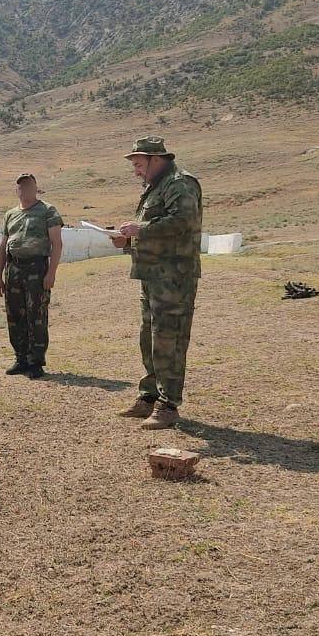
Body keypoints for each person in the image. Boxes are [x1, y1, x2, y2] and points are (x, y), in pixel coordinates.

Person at [110, 136, 203, 430]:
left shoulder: (180, 183)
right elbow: (155, 230)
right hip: (152, 274)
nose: (136, 171)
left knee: (169, 339)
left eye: (139, 165)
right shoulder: (156, 187)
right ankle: (149, 397)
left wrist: (140, 228)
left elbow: (182, 222)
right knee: (149, 338)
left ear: (156, 159)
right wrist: (127, 239)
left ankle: (169, 404)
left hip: (173, 277)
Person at [0, 173, 63, 378]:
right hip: (14, 269)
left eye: (29, 186)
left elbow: (57, 244)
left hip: (37, 268)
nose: (25, 190)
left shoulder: (47, 211)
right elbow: (1, 247)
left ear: (36, 188)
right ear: (17, 191)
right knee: (15, 316)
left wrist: (51, 273)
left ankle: (36, 361)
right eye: (21, 187)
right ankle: (21, 358)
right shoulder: (10, 214)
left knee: (37, 316)